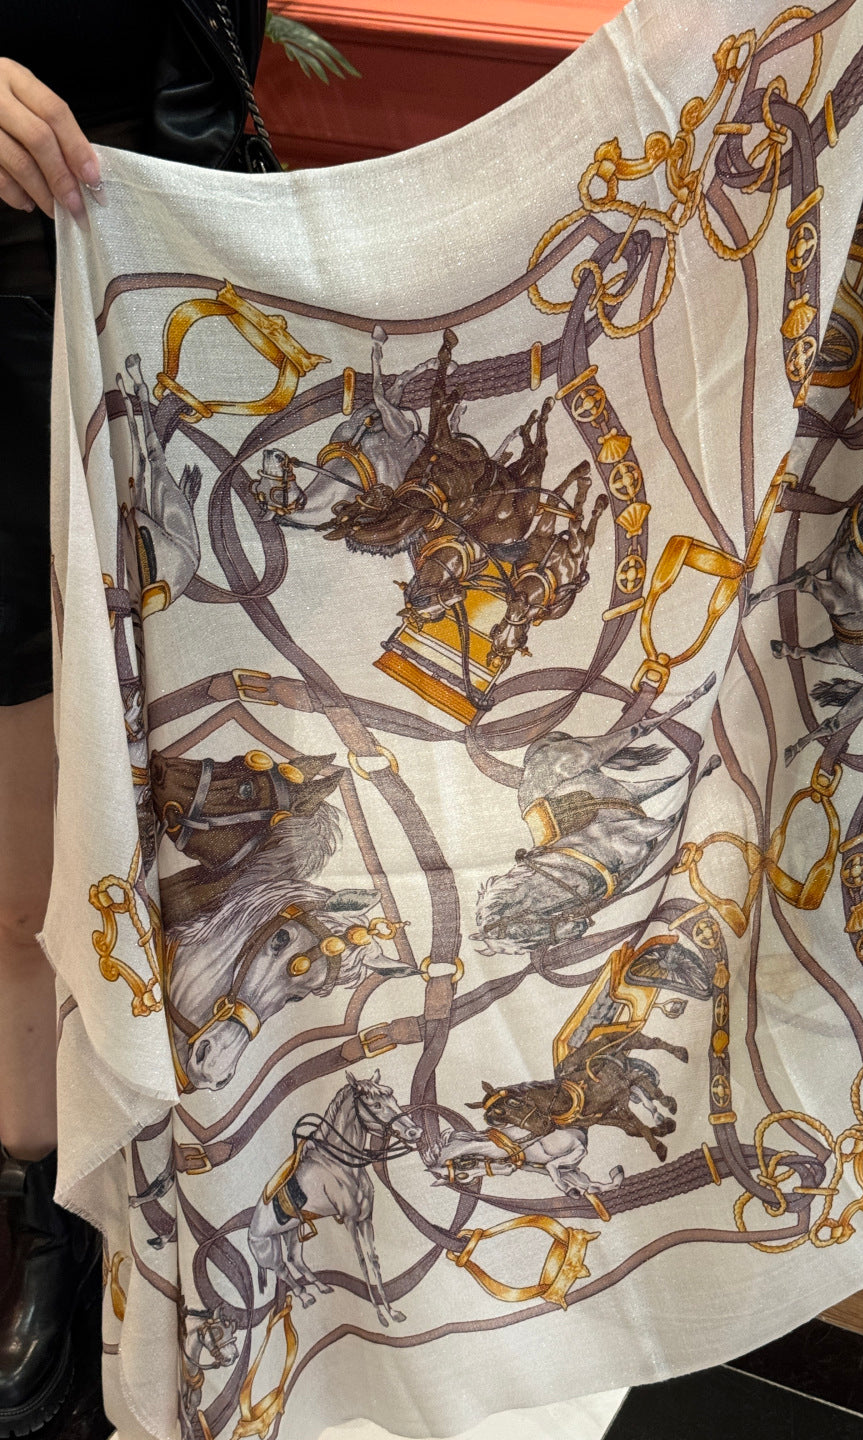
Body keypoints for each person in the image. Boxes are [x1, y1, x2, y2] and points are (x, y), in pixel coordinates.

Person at [0, 4, 273, 1432]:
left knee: (208, 831)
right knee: (25, 868)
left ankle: (172, 1210)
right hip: (10, 290)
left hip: (189, 272)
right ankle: (47, 1210)